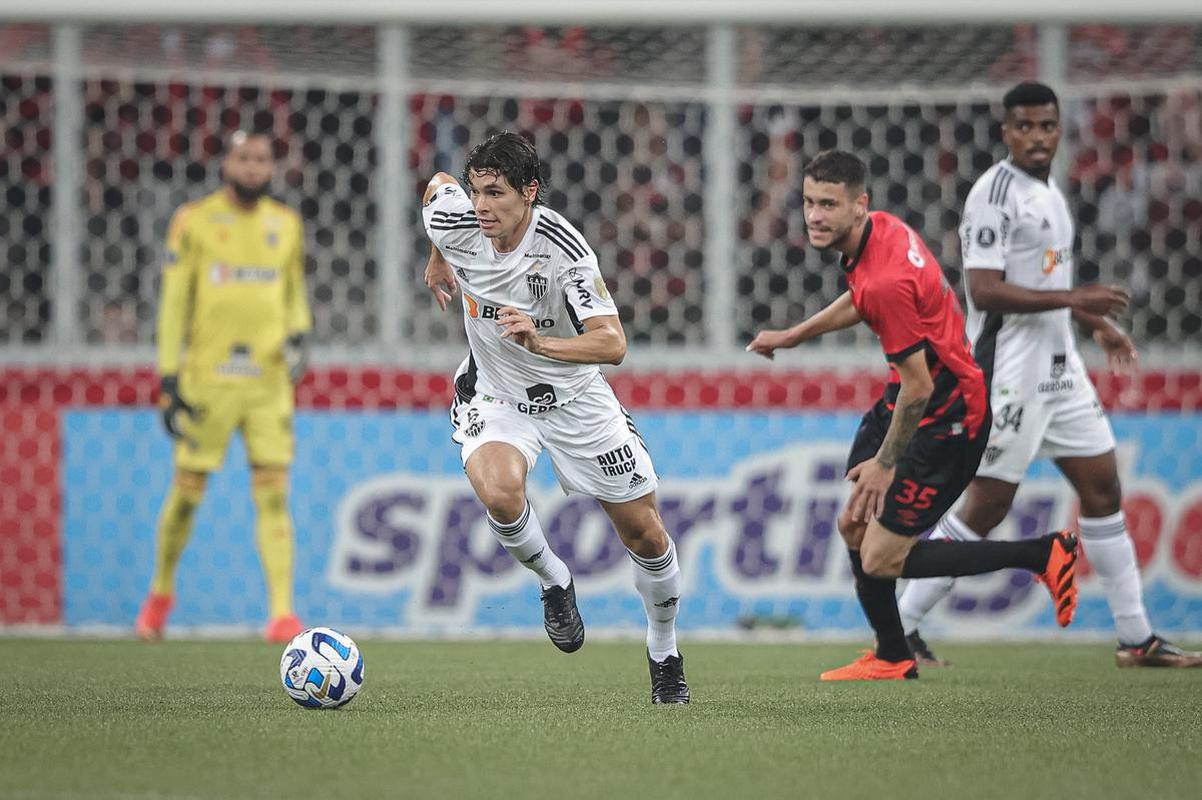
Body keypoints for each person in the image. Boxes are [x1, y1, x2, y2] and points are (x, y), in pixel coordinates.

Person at [896, 82, 1202, 668]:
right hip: (1011, 371)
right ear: (1006, 131)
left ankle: (1136, 639)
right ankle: (902, 627)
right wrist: (1076, 296)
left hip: (1061, 368)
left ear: (1061, 130)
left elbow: (1039, 284)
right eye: (1026, 127)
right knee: (986, 507)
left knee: (1103, 487)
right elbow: (984, 290)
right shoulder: (995, 193)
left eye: (1047, 126)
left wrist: (1090, 321)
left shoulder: (1050, 192)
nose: (1038, 137)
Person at [748, 149, 1081, 680]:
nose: (814, 215)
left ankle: (1042, 554)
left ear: (860, 205)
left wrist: (885, 462)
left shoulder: (888, 279)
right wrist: (793, 336)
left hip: (948, 418)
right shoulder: (879, 233)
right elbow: (862, 299)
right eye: (809, 201)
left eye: (828, 204)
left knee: (881, 557)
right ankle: (892, 654)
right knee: (854, 525)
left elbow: (920, 384)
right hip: (911, 397)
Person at [421, 131, 688, 703]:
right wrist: (438, 256)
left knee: (645, 533)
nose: (480, 206)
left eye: (495, 193)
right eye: (476, 192)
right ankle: (554, 580)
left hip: (574, 399)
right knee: (499, 493)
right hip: (495, 394)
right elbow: (435, 188)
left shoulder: (564, 249)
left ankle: (664, 651)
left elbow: (612, 345)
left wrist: (540, 344)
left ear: (530, 192)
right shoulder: (457, 219)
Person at [135, 131, 311, 644]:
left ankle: (281, 614)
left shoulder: (286, 225)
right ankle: (161, 592)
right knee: (187, 496)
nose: (254, 167)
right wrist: (168, 377)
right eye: (244, 158)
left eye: (262, 158)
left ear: (272, 168)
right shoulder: (194, 222)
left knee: (274, 498)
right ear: (224, 164)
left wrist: (300, 335)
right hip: (207, 383)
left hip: (268, 383)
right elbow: (173, 303)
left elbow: (294, 295)